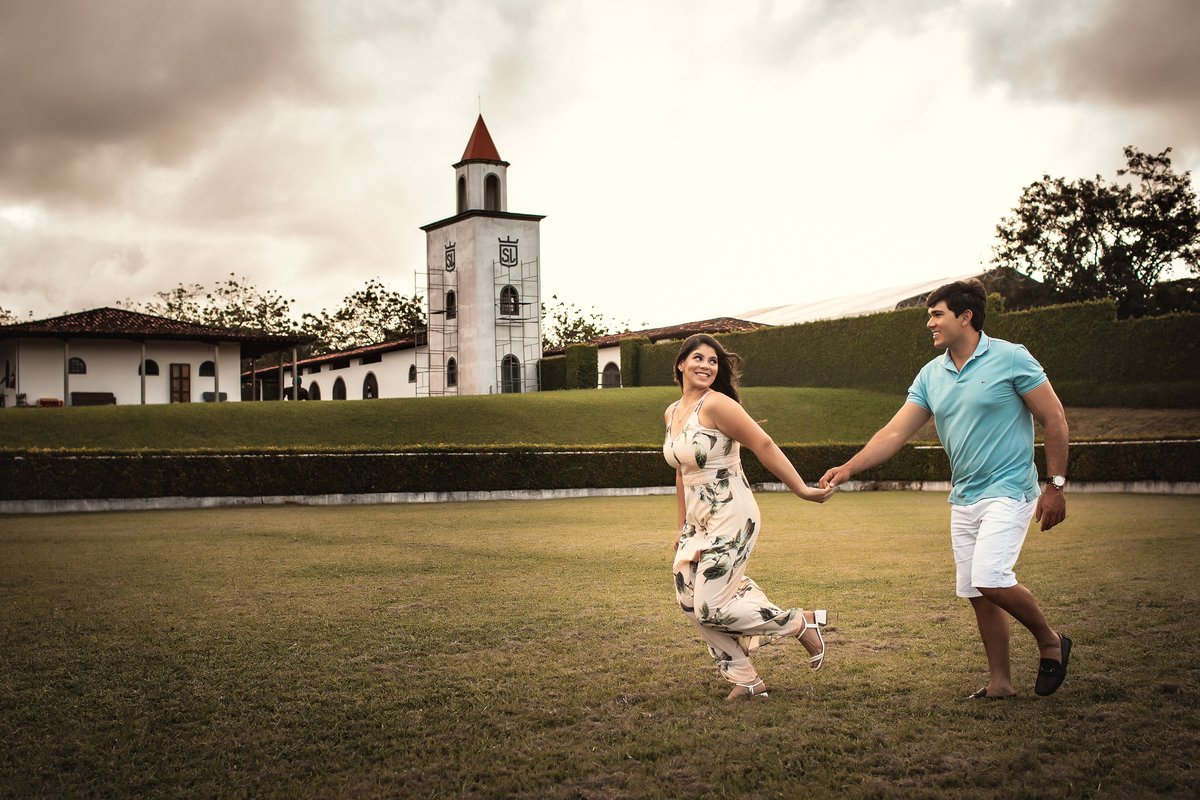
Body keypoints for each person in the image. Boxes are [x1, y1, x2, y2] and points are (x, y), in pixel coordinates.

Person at [819, 279, 1072, 699]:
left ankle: (1050, 641)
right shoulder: (930, 375)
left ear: (965, 317)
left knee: (990, 577)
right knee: (977, 592)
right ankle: (1000, 683)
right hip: (964, 497)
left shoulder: (1011, 358)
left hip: (1010, 490)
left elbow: (1055, 419)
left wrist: (1056, 486)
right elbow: (894, 432)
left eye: (937, 314)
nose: (930, 323)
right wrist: (849, 468)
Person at [665, 334, 834, 700]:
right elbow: (681, 472)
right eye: (698, 358)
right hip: (698, 520)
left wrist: (802, 490)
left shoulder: (718, 405)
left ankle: (800, 623)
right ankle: (746, 678)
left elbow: (764, 445)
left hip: (731, 513)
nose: (706, 366)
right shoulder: (672, 412)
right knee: (687, 598)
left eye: (713, 361)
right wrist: (682, 526)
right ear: (681, 364)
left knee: (710, 606)